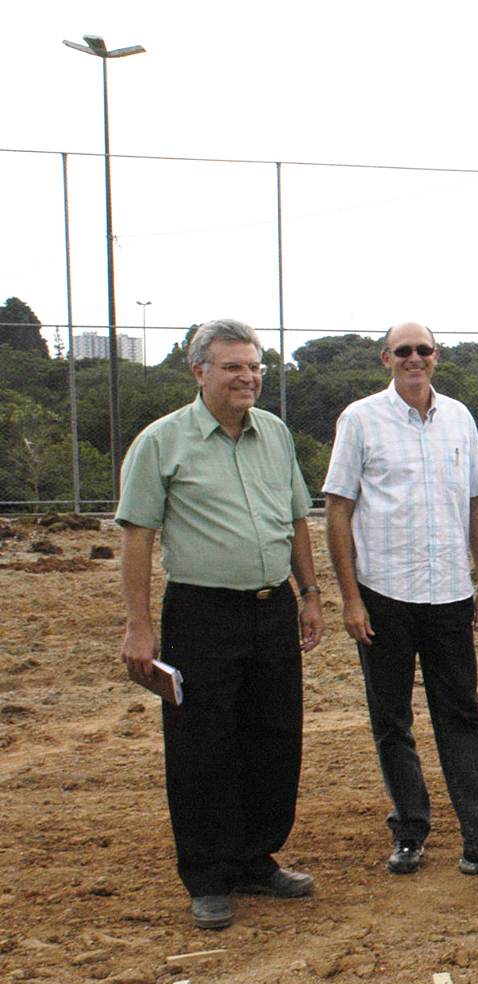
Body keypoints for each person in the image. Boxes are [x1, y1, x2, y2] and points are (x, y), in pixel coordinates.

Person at [117, 319, 323, 930]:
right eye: (234, 366)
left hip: (272, 608)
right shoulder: (162, 442)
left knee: (273, 736)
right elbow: (137, 537)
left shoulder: (276, 435)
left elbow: (297, 521)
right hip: (201, 613)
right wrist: (138, 625)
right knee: (201, 745)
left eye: (255, 366)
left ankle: (256, 859)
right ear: (199, 371)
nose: (248, 377)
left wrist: (310, 595)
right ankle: (208, 876)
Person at [322, 322, 478, 882]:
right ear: (386, 358)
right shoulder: (361, 419)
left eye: (423, 350)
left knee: (462, 717)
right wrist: (351, 598)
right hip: (383, 593)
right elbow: (339, 510)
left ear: (436, 357)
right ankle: (410, 833)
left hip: (448, 594)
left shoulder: (460, 418)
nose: (414, 359)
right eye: (404, 351)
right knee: (391, 719)